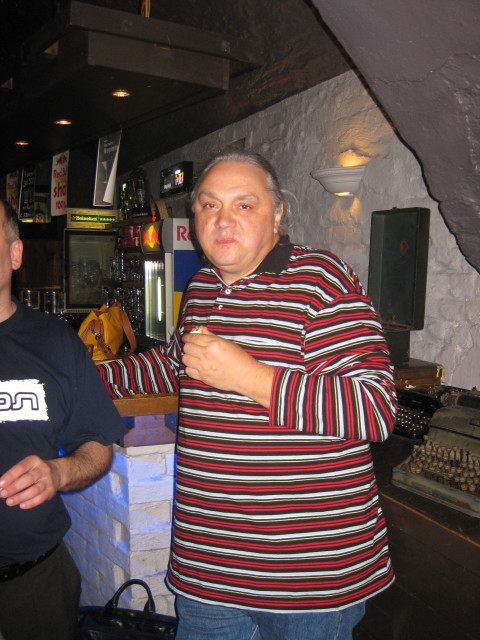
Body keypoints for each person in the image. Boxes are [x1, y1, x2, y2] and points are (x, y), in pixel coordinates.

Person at [97, 151, 397, 640]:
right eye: (210, 205)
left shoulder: (322, 280)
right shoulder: (201, 288)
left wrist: (251, 377)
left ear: (277, 214)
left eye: (244, 204)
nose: (223, 220)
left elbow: (375, 408)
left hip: (308, 580)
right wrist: (82, 377)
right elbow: (173, 365)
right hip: (208, 569)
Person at [0, 200, 128, 640]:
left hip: (35, 585)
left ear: (15, 253)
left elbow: (98, 444)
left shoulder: (55, 342)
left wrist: (57, 473)